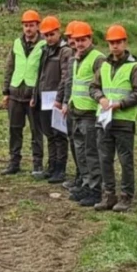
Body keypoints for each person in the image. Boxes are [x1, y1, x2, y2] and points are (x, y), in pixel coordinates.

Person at [89, 24, 137, 212]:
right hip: (104, 119)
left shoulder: (134, 67)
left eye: (118, 42)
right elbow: (93, 87)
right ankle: (109, 195)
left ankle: (126, 196)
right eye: (112, 43)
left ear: (125, 43)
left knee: (125, 160)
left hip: (124, 120)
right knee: (104, 158)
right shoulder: (104, 66)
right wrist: (101, 98)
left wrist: (120, 104)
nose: (115, 46)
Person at [65, 22, 106, 207]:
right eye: (77, 40)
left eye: (83, 40)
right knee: (80, 151)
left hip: (90, 113)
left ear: (90, 39)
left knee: (91, 152)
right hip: (77, 112)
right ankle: (86, 183)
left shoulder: (98, 59)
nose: (80, 44)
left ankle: (95, 189)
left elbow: (101, 86)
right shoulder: (77, 58)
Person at [1, 10, 46, 176]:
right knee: (14, 129)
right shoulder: (17, 43)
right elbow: (9, 67)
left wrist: (39, 93)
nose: (28, 29)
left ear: (37, 26)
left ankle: (37, 164)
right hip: (15, 93)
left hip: (33, 95)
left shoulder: (44, 44)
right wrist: (6, 91)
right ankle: (14, 162)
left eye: (32, 25)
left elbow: (44, 71)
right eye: (26, 25)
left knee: (36, 131)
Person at [35, 16, 73, 184]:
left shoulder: (65, 51)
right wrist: (35, 94)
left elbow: (65, 78)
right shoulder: (44, 49)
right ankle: (52, 166)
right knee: (49, 134)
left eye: (51, 34)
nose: (49, 38)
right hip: (44, 98)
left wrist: (62, 99)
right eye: (46, 35)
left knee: (59, 134)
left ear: (58, 32)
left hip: (56, 99)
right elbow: (40, 75)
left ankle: (60, 168)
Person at [63, 22, 83, 190]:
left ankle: (85, 178)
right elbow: (68, 82)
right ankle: (79, 175)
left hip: (86, 110)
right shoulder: (72, 60)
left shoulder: (92, 59)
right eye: (69, 38)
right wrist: (64, 102)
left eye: (74, 38)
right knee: (74, 142)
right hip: (72, 107)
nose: (71, 41)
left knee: (85, 147)